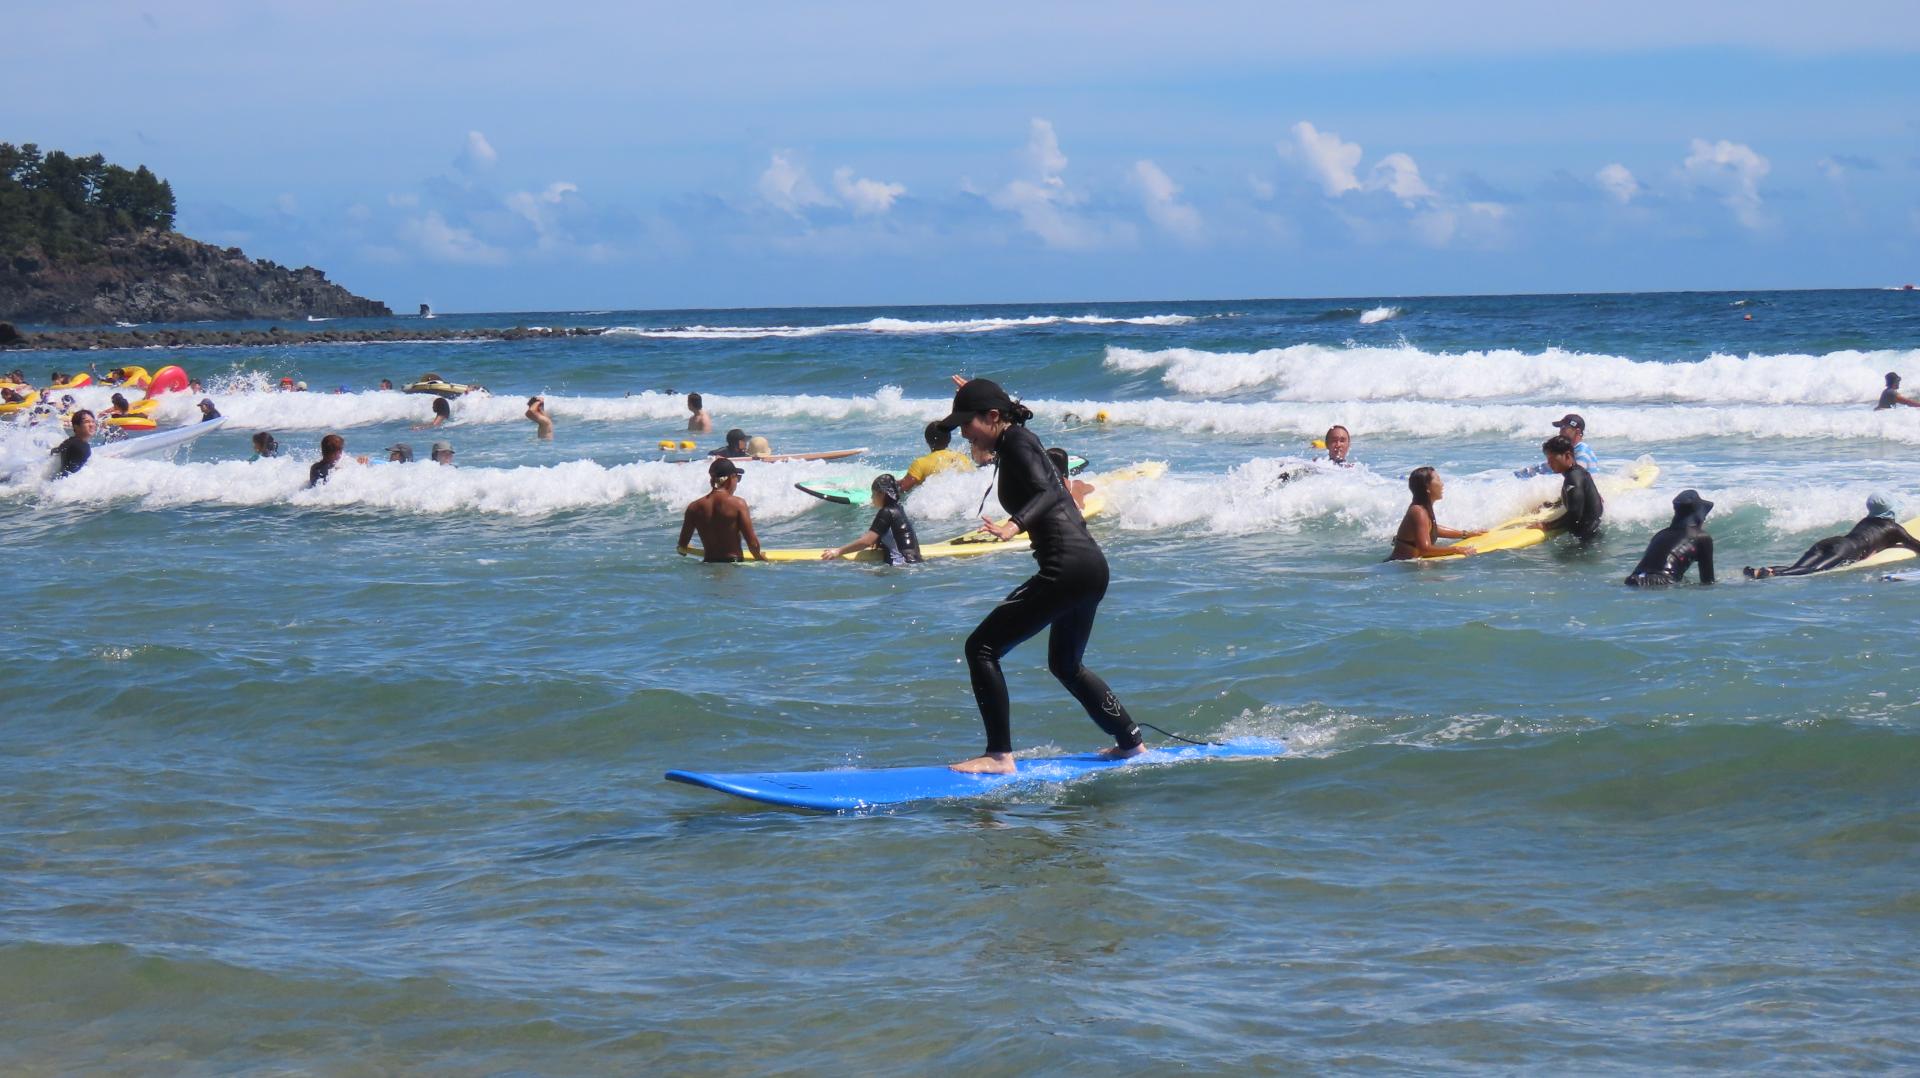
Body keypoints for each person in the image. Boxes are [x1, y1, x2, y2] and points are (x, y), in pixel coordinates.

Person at [939, 378, 1142, 775]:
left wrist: (1013, 525)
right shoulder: (1016, 439)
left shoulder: (1016, 442)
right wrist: (974, 393)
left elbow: (1047, 490)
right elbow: (1045, 483)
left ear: (992, 417)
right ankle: (1130, 743)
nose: (963, 433)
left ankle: (999, 756)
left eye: (967, 422)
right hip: (1090, 566)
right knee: (1066, 664)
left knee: (981, 648)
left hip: (1066, 568)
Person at [1745, 494, 1920, 577]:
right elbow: (1915, 544)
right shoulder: (1894, 528)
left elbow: (1872, 538)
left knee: (1797, 567)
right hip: (1845, 549)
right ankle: (1773, 574)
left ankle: (1760, 571)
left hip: (1831, 542)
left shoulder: (1865, 521)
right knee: (1813, 571)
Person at [821, 474, 924, 564]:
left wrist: (838, 551)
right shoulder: (898, 508)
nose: (871, 497)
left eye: (873, 494)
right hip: (914, 561)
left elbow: (866, 542)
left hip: (901, 564)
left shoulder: (886, 512)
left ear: (882, 494)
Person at [678, 457, 765, 562]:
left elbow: (682, 546)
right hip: (733, 565)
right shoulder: (738, 504)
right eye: (738, 478)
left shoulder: (694, 507)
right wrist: (760, 558)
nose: (737, 482)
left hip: (707, 564)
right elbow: (753, 544)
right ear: (731, 478)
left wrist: (686, 547)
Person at [1625, 489, 1716, 586]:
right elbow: (1707, 581)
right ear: (1699, 517)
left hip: (1633, 579)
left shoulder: (1660, 534)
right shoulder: (1702, 537)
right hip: (1663, 581)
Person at [1388, 467, 1482, 559]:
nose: (1442, 484)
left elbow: (1431, 528)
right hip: (1399, 565)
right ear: (1427, 487)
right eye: (1438, 480)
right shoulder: (1418, 511)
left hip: (1409, 565)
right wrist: (1456, 549)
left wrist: (1465, 534)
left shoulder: (1422, 508)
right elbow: (1424, 550)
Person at [1531, 435, 1604, 541]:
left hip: (1587, 540)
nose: (1549, 463)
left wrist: (1546, 525)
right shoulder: (1577, 473)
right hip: (1590, 535)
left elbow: (1575, 514)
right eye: (1548, 459)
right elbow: (1576, 499)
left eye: (1552, 459)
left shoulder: (1574, 477)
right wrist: (1549, 505)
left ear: (1567, 456)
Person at [899, 420, 975, 493]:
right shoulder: (962, 458)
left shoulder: (920, 463)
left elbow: (903, 487)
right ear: (949, 439)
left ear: (927, 441)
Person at [1515, 414, 1597, 477]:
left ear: (1577, 432)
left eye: (1564, 428)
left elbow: (1575, 478)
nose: (1560, 432)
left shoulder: (1582, 453)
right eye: (1560, 428)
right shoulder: (1575, 449)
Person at [51, 409, 97, 477]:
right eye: (86, 422)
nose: (91, 425)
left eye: (93, 421)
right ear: (76, 426)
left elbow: (54, 451)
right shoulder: (82, 447)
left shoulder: (69, 441)